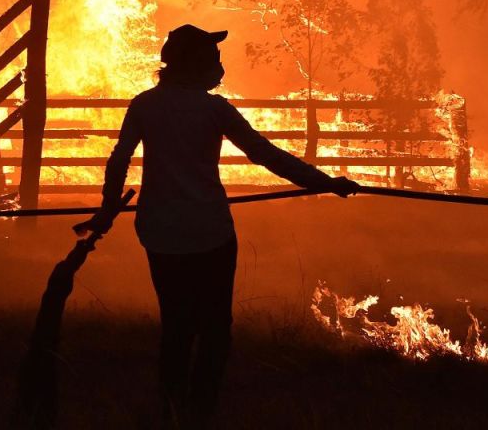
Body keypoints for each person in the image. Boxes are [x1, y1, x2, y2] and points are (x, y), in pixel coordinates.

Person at [74, 24, 360, 428]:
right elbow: (265, 155)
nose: (221, 68)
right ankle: (200, 411)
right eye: (214, 59)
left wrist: (107, 210)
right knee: (215, 328)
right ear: (195, 64)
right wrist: (325, 183)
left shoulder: (144, 106)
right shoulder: (215, 110)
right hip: (210, 234)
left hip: (161, 233)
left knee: (176, 324)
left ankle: (171, 409)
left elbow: (120, 158)